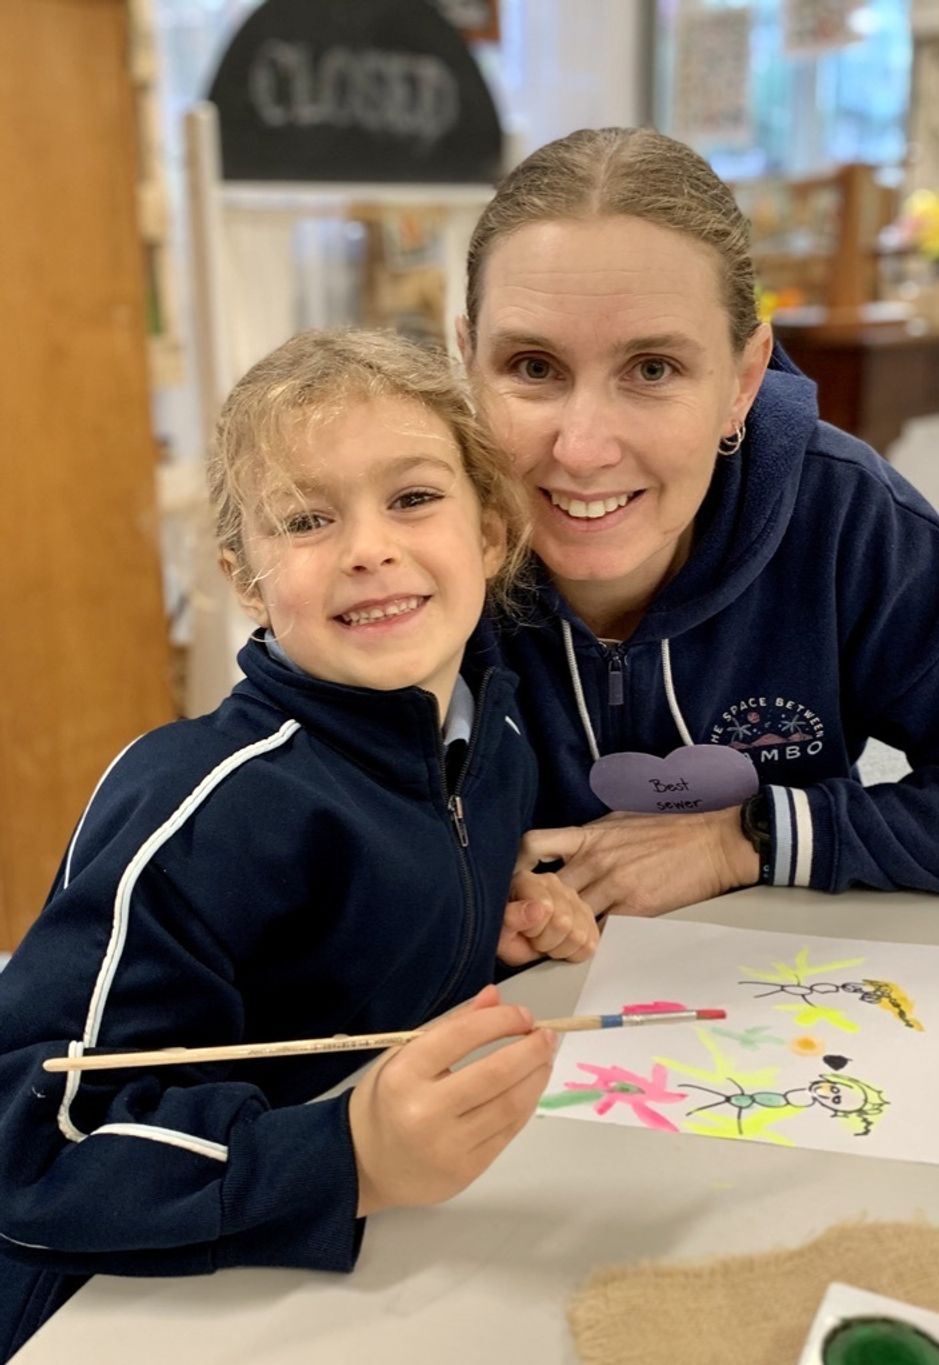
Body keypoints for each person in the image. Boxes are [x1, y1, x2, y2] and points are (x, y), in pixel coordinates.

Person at [0, 328, 598, 1361]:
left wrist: (489, 925)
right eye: (307, 519)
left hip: (355, 1279)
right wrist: (348, 1157)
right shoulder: (199, 804)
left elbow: (356, 962)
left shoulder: (493, 729)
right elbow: (25, 1143)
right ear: (246, 579)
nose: (368, 547)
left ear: (492, 534)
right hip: (109, 1304)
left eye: (413, 497)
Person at [457, 126, 939, 915]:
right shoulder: (406, 541)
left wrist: (752, 836)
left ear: (744, 380)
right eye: (533, 367)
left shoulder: (839, 516)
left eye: (652, 368)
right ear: (467, 362)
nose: (583, 449)